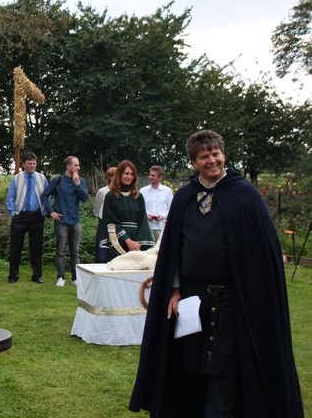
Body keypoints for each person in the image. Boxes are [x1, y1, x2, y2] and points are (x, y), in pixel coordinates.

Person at [129, 130, 304, 417]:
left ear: (223, 155)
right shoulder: (185, 196)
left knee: (226, 364)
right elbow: (173, 250)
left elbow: (262, 252)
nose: (212, 160)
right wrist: (174, 288)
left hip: (234, 298)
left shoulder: (244, 195)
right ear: (194, 162)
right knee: (191, 364)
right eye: (204, 156)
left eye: (216, 154)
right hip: (191, 297)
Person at [41, 156, 88, 286]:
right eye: (76, 165)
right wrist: (51, 211)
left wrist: (77, 184)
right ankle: (61, 277)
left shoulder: (80, 181)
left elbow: (84, 198)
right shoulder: (58, 180)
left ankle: (75, 279)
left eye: (78, 165)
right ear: (68, 166)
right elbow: (44, 195)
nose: (78, 168)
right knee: (60, 251)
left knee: (75, 252)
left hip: (75, 221)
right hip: (61, 221)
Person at [6, 152, 48, 283]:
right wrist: (13, 213)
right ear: (23, 164)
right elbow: (10, 197)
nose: (32, 166)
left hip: (37, 217)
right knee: (15, 248)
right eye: (29, 163)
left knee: (36, 248)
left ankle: (37, 275)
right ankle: (13, 275)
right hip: (20, 217)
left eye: (34, 163)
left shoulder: (42, 178)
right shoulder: (17, 178)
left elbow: (47, 197)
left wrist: (44, 213)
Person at [99, 160, 153, 260]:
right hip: (117, 241)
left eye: (132, 174)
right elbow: (111, 222)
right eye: (126, 173)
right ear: (119, 174)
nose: (129, 177)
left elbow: (143, 221)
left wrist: (137, 244)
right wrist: (127, 240)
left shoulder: (138, 196)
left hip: (137, 243)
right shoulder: (110, 196)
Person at [139, 165, 173, 243]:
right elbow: (139, 208)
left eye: (153, 175)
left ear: (159, 177)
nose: (150, 177)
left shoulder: (167, 191)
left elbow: (172, 209)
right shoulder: (143, 191)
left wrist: (162, 216)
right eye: (150, 175)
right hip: (147, 227)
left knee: (161, 249)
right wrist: (146, 215)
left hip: (162, 228)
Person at [93, 167, 116, 263]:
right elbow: (97, 208)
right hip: (104, 223)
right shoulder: (102, 191)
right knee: (103, 248)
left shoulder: (120, 192)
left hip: (116, 223)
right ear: (110, 177)